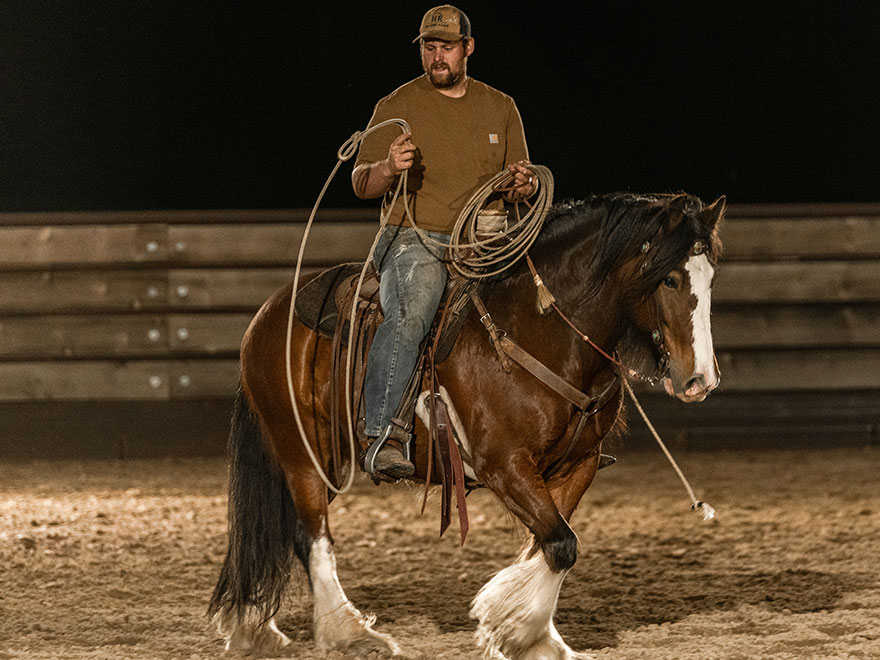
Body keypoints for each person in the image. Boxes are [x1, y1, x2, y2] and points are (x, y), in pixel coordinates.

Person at [351, 5, 537, 479]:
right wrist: (389, 167)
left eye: (447, 47)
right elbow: (361, 182)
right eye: (429, 47)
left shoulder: (501, 106)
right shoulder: (396, 107)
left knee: (542, 304)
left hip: (487, 239)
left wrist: (523, 184)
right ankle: (383, 435)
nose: (437, 57)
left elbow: (520, 180)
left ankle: (554, 429)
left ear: (468, 49)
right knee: (413, 309)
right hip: (417, 237)